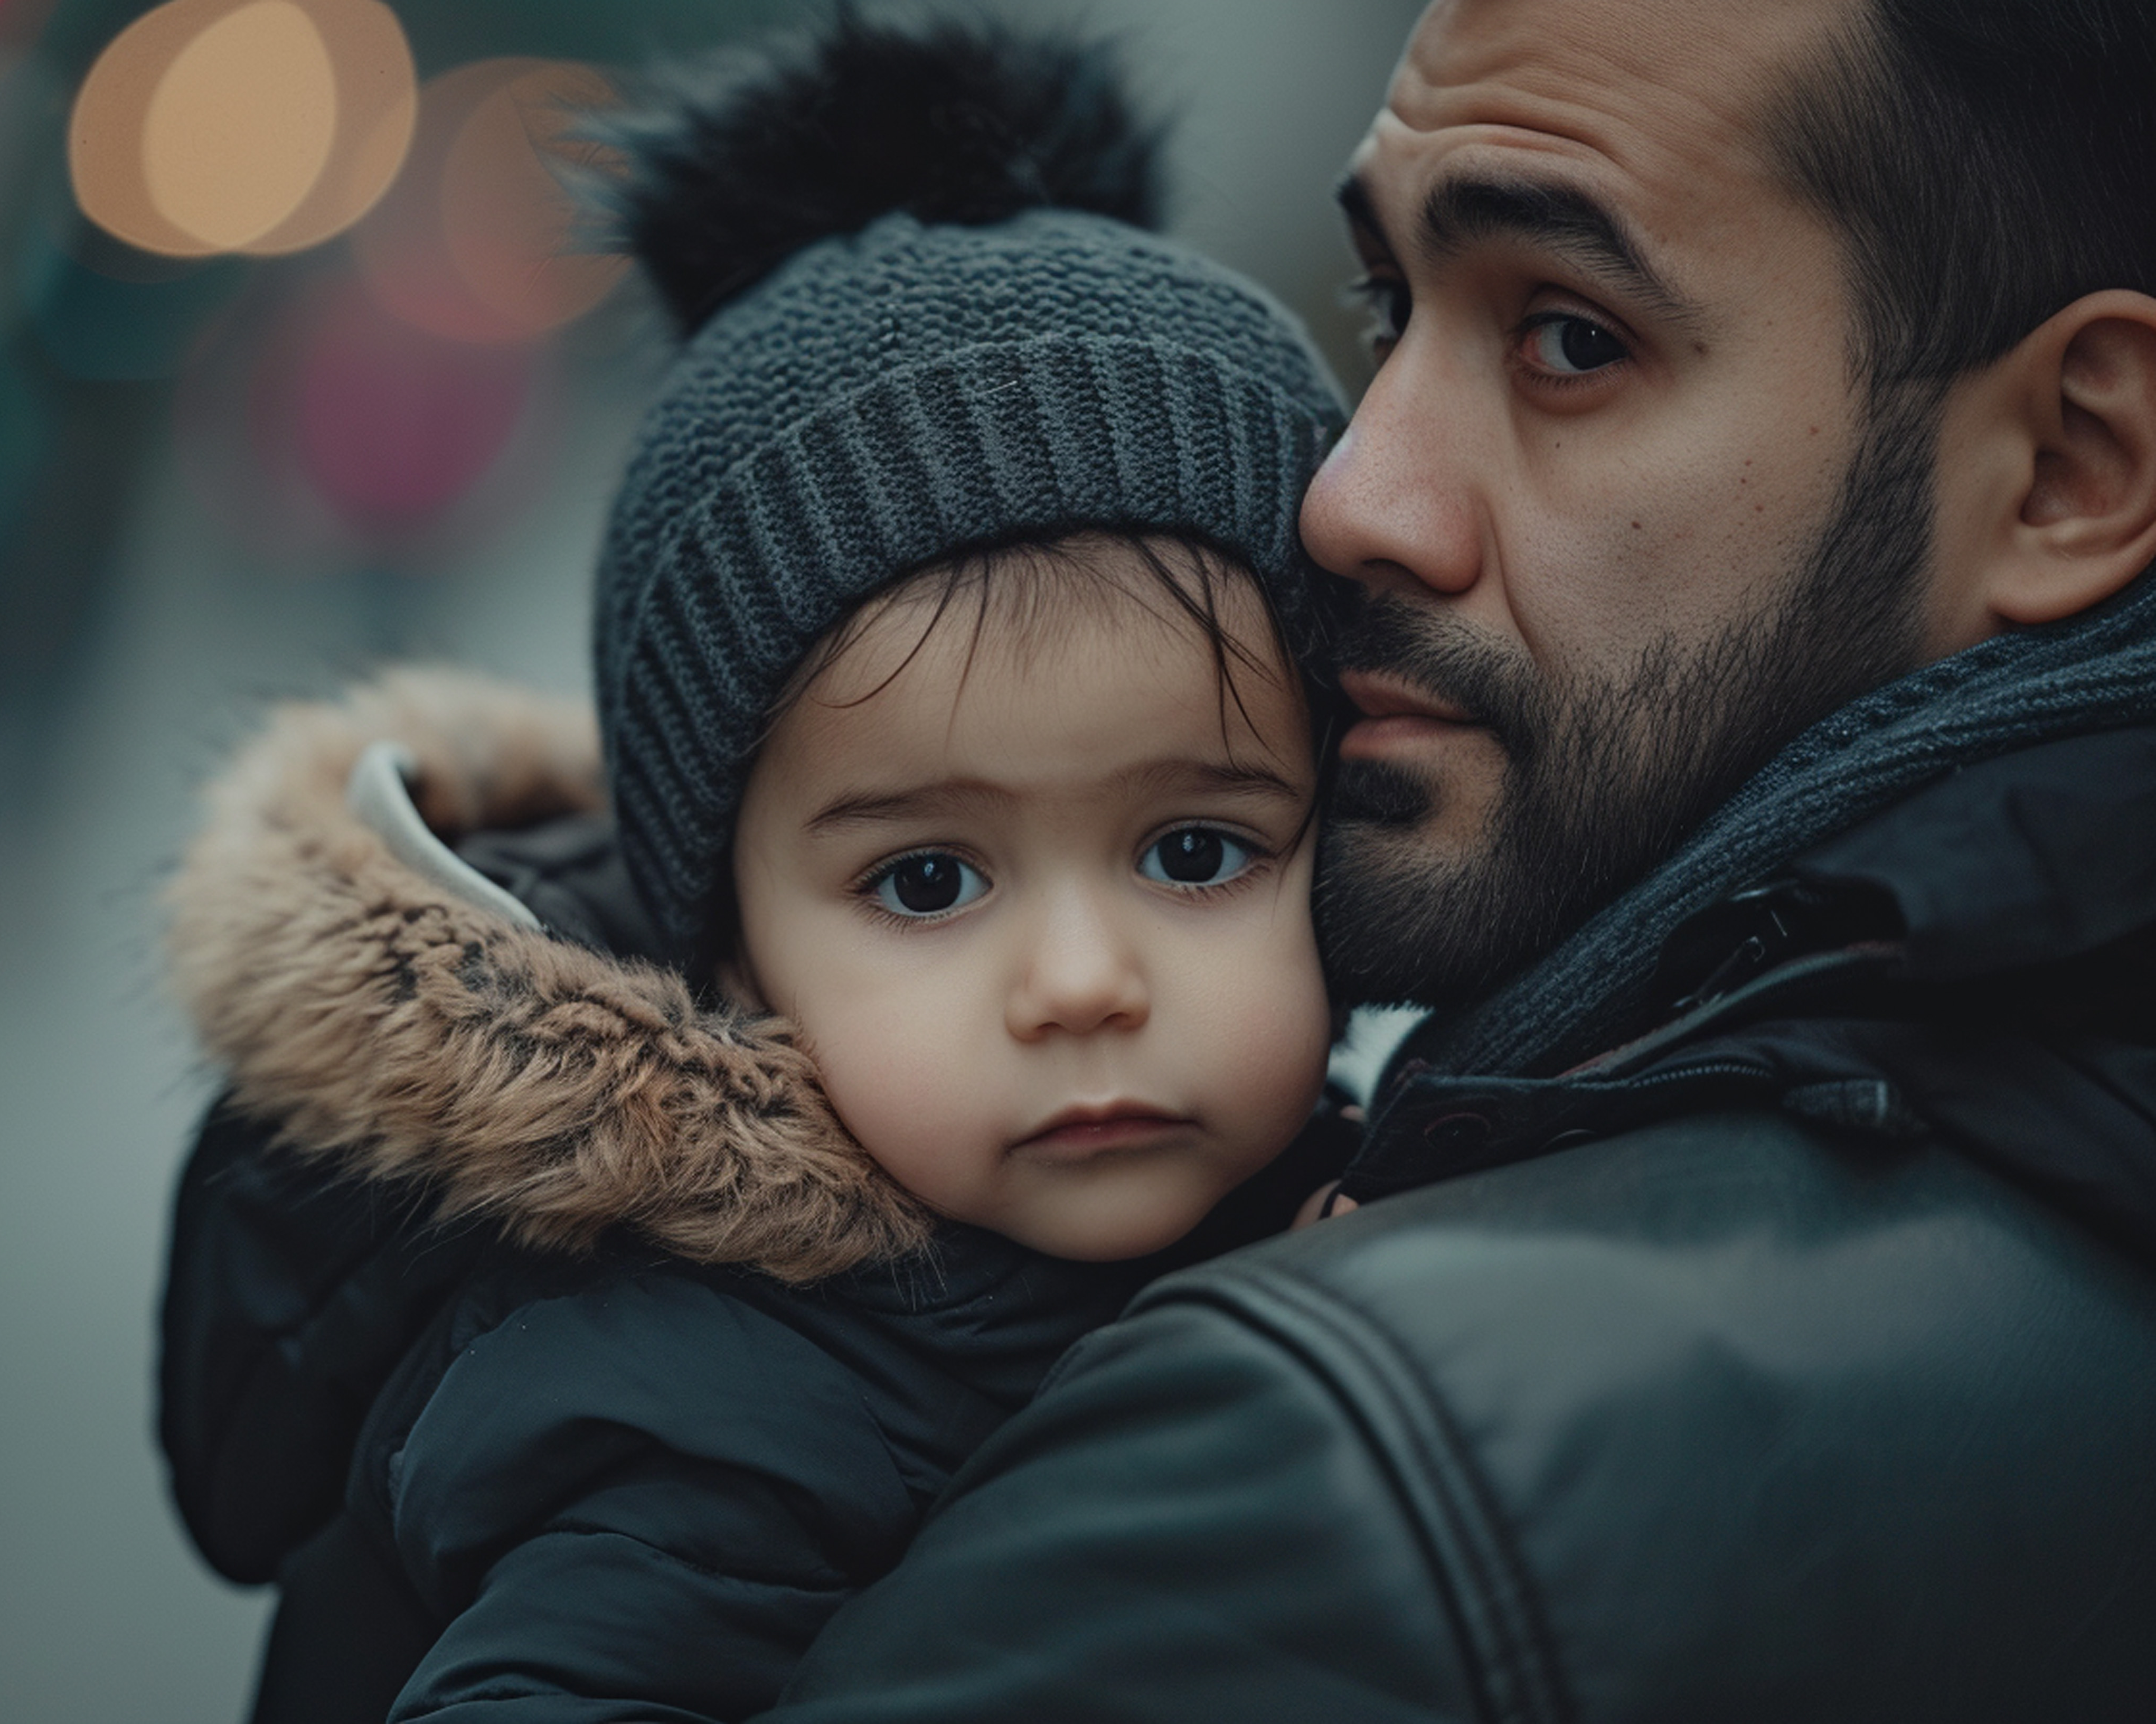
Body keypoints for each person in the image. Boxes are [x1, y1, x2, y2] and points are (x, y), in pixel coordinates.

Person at [743, 1, 2156, 1718]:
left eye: (1570, 337)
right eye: (1389, 309)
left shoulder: (1329, 1479)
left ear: (2072, 467)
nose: (1352, 496)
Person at [155, 16, 1350, 1722]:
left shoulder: (1360, 1188)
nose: (1086, 981)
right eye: (929, 883)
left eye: (1193, 849)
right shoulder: (708, 1430)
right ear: (728, 957)